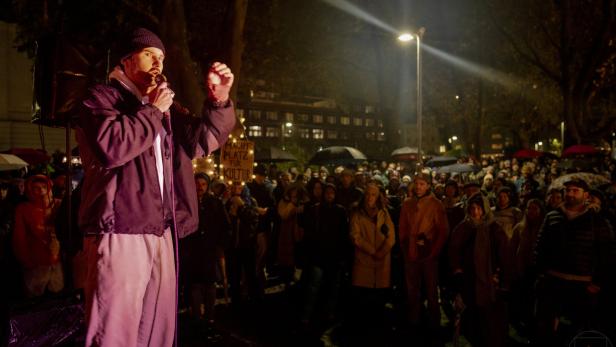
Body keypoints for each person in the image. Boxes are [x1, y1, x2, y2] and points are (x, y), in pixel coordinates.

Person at [76, 27, 235, 346]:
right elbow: (113, 147)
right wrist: (152, 110)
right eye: (149, 54)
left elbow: (205, 141)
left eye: (161, 57)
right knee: (115, 332)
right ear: (126, 60)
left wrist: (219, 101)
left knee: (157, 331)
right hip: (120, 229)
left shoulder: (167, 110)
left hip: (161, 229)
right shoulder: (101, 98)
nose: (158, 63)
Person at [534, 178, 615, 345]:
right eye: (568, 190)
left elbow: (607, 254)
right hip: (553, 281)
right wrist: (542, 273)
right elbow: (540, 247)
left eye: (575, 190)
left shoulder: (597, 221)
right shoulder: (553, 216)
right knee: (548, 330)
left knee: (579, 331)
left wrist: (597, 283)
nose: (570, 194)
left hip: (583, 286)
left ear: (585, 195)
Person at [449, 193, 510, 347]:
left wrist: (501, 277)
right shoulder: (462, 228)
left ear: (485, 209)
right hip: (468, 279)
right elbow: (453, 251)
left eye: (479, 208)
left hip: (489, 280)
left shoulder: (494, 229)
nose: (475, 212)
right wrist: (457, 271)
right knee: (471, 316)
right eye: (472, 208)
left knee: (489, 319)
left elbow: (504, 255)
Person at [398, 172, 449, 341]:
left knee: (431, 290)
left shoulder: (436, 204)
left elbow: (442, 231)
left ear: (428, 186)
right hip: (411, 253)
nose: (419, 187)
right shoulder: (407, 204)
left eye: (422, 184)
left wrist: (433, 251)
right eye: (417, 183)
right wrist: (406, 248)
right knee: (413, 289)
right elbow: (403, 229)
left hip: (429, 254)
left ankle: (434, 322)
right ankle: (414, 320)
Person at [180, 173, 230, 339]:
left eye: (203, 184)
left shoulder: (215, 203)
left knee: (209, 286)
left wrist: (219, 246)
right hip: (193, 251)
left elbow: (225, 225)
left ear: (207, 185)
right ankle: (196, 317)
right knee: (195, 285)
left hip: (209, 251)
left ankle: (209, 317)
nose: (200, 187)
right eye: (197, 184)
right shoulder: (187, 202)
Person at [348, 183, 395, 341]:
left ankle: (378, 331)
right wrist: (372, 251)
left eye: (373, 194)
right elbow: (355, 236)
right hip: (364, 261)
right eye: (368, 194)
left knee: (378, 301)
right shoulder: (357, 214)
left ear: (378, 196)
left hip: (382, 263)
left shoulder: (384, 213)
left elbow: (391, 236)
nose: (370, 197)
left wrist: (382, 251)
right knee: (364, 300)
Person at [12, 175, 64, 297]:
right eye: (36, 188)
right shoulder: (23, 209)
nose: (41, 190)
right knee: (35, 298)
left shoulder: (58, 205)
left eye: (44, 187)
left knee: (57, 297)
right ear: (30, 189)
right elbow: (19, 237)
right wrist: (26, 259)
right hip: (36, 262)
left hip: (57, 260)